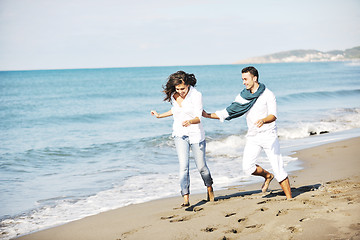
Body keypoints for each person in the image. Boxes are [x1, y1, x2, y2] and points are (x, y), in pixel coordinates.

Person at [203, 66, 292, 199]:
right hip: (253, 136)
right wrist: (207, 115)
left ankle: (290, 199)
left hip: (269, 135)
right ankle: (267, 176)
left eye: (246, 79)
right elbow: (229, 111)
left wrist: (263, 120)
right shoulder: (243, 96)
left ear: (254, 78)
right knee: (248, 167)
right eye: (242, 79)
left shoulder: (268, 94)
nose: (244, 82)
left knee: (278, 167)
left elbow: (273, 115)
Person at [151, 70, 215, 206]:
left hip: (196, 134)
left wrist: (190, 121)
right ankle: (185, 198)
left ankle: (209, 187)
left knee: (202, 167)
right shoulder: (174, 95)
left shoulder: (196, 95)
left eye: (183, 89)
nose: (181, 92)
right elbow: (175, 111)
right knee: (183, 167)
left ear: (188, 85)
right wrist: (159, 115)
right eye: (178, 89)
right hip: (180, 134)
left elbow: (199, 117)